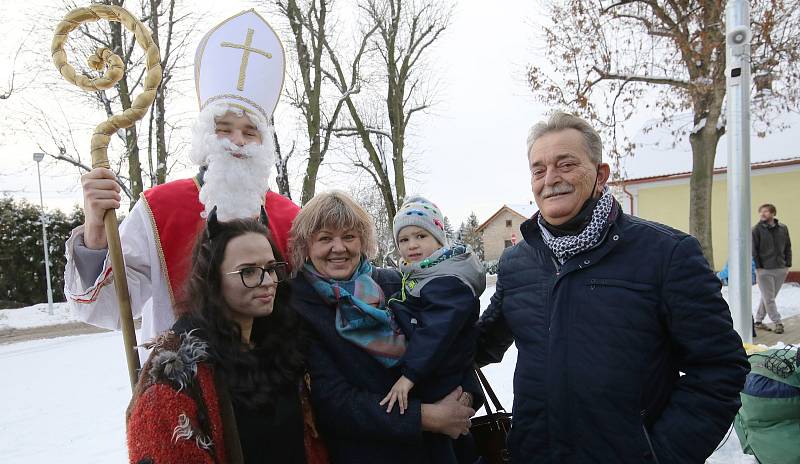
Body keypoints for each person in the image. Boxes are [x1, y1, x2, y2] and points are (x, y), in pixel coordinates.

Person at [475, 111, 749, 463]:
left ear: (600, 175)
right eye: (538, 169)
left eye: (566, 164)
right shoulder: (518, 262)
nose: (550, 179)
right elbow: (480, 345)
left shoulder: (666, 254)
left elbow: (720, 369)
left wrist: (659, 454)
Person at [62, 10, 299, 353]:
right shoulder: (159, 209)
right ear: (205, 137)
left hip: (275, 387)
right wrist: (97, 233)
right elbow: (109, 309)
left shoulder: (291, 218)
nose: (237, 140)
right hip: (183, 390)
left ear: (265, 145)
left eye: (250, 132)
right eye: (224, 129)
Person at [287, 191, 480, 464]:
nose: (339, 247)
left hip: (440, 449)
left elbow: (448, 339)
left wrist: (464, 398)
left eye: (349, 236)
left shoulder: (394, 283)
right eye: (325, 238)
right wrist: (424, 417)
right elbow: (331, 400)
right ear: (306, 246)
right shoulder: (299, 305)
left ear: (363, 241)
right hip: (369, 451)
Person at [126, 211, 327, 464]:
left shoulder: (280, 348)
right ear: (213, 279)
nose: (267, 282)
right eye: (249, 272)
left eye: (271, 268)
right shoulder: (178, 374)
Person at [380, 196, 485, 464]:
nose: (412, 245)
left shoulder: (447, 280)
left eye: (420, 235)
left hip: (441, 380)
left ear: (439, 239)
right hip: (438, 376)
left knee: (446, 447)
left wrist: (408, 377)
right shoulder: (422, 276)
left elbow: (435, 334)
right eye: (403, 240)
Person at [752, 203, 792, 334]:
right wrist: (758, 267)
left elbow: (787, 246)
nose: (763, 214)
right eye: (761, 211)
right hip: (764, 270)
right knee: (769, 298)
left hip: (781, 268)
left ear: (773, 213)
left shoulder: (783, 228)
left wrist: (788, 264)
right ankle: (778, 322)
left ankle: (758, 321)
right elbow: (754, 250)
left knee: (768, 297)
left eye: (766, 211)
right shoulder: (756, 230)